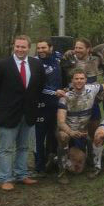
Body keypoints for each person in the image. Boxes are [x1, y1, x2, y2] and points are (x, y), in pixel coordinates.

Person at [0, 35, 45, 191]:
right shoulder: (2, 65)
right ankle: (5, 177)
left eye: (23, 47)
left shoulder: (36, 65)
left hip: (29, 113)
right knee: (6, 148)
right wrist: (3, 101)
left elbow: (39, 86)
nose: (20, 49)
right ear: (14, 46)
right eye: (17, 46)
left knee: (24, 147)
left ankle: (22, 174)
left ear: (28, 48)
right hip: (9, 113)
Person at [56, 70, 104, 184]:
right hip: (69, 133)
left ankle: (56, 158)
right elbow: (61, 122)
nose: (79, 81)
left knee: (77, 170)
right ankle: (61, 172)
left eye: (81, 78)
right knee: (63, 136)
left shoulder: (92, 89)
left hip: (81, 134)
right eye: (76, 79)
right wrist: (70, 132)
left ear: (86, 80)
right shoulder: (65, 97)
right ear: (72, 81)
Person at [33, 39, 62, 177]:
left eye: (43, 47)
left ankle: (53, 162)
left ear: (51, 48)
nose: (40, 50)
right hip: (41, 105)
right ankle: (39, 166)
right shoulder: (33, 63)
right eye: (38, 48)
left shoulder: (57, 56)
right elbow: (37, 86)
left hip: (57, 105)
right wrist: (54, 92)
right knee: (39, 137)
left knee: (54, 135)